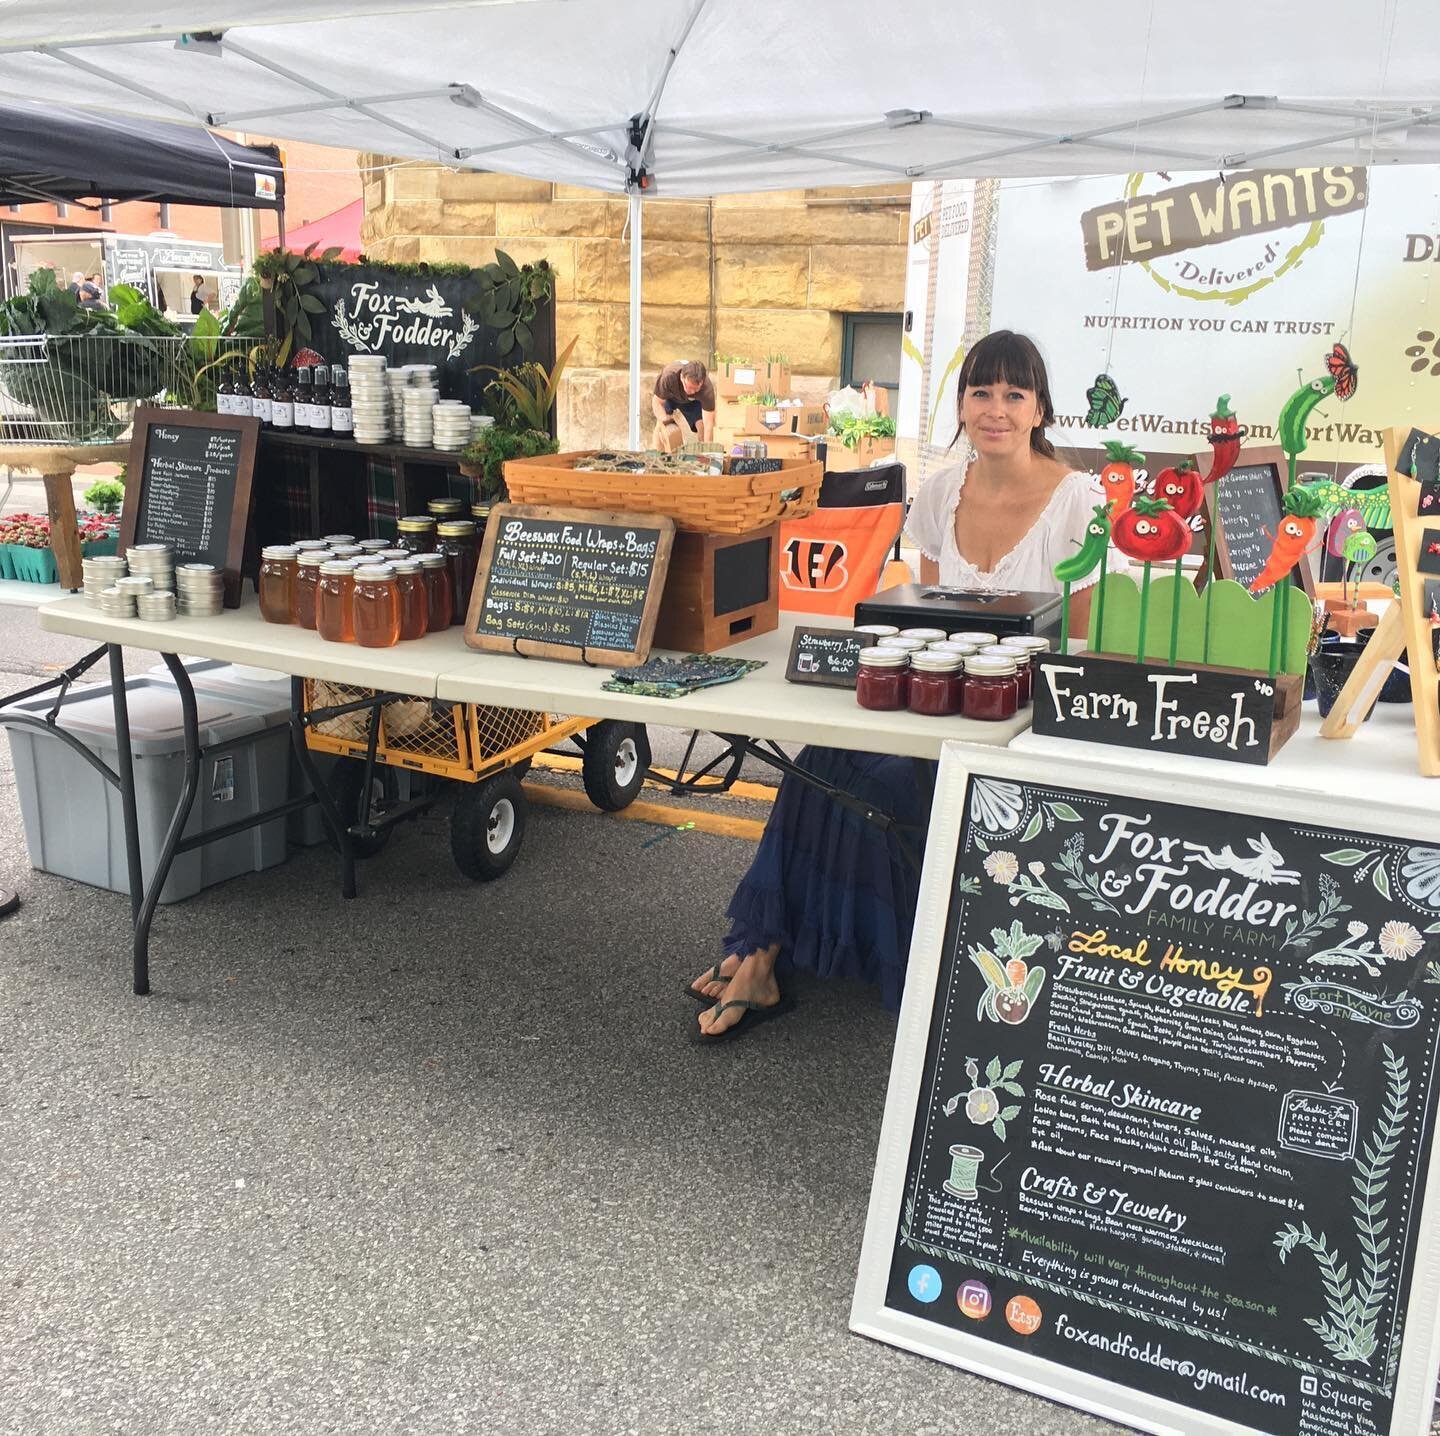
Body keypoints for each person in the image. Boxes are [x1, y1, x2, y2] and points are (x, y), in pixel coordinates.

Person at [686, 330, 1110, 1040]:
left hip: (1021, 723)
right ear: (962, 404)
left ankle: (770, 950)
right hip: (938, 703)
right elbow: (927, 618)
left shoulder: (1079, 501)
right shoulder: (944, 489)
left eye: (1014, 394)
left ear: (1040, 409)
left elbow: (1084, 641)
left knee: (872, 785)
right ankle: (761, 948)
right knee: (825, 756)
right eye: (981, 393)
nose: (996, 409)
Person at [651, 359, 716, 451]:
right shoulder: (668, 377)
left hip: (693, 402)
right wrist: (665, 419)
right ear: (682, 377)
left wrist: (709, 452)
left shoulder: (706, 389)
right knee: (662, 427)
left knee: (702, 426)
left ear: (702, 382)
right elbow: (657, 403)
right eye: (689, 387)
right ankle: (658, 457)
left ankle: (702, 458)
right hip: (671, 397)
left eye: (696, 389)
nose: (692, 391)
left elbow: (708, 423)